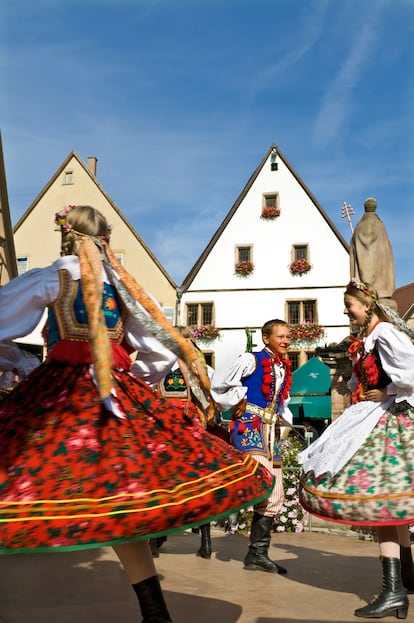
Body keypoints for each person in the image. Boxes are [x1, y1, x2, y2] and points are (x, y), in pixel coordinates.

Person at [0, 205, 275, 623]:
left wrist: (18, 365)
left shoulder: (51, 276)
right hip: (115, 396)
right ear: (105, 240)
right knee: (123, 501)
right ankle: (154, 611)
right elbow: (160, 348)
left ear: (68, 236)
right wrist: (133, 381)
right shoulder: (121, 285)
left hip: (60, 395)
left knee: (27, 475)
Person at [299, 278, 414, 620]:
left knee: (380, 503)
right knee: (389, 505)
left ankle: (394, 590)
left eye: (349, 305)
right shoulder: (366, 340)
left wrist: (390, 392)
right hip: (371, 416)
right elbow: (361, 380)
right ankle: (406, 578)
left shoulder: (385, 334)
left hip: (387, 420)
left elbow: (409, 370)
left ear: (366, 306)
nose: (345, 310)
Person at [211, 319, 293, 575]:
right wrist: (239, 398)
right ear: (266, 338)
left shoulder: (283, 367)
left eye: (288, 337)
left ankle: (257, 554)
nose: (286, 341)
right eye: (281, 336)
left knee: (276, 492)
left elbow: (281, 402)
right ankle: (229, 505)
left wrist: (284, 419)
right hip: (249, 424)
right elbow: (220, 381)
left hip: (271, 432)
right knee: (261, 478)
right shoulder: (251, 359)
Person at [150, 326, 215, 560]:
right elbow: (210, 395)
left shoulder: (158, 363)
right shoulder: (198, 364)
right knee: (197, 480)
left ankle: (155, 542)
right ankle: (205, 542)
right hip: (188, 425)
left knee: (162, 481)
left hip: (166, 427)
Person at [349, 197, 396, 308]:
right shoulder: (380, 226)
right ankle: (380, 290)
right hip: (381, 281)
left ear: (365, 208)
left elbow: (353, 249)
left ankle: (366, 289)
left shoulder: (359, 227)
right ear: (375, 208)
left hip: (363, 276)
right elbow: (386, 251)